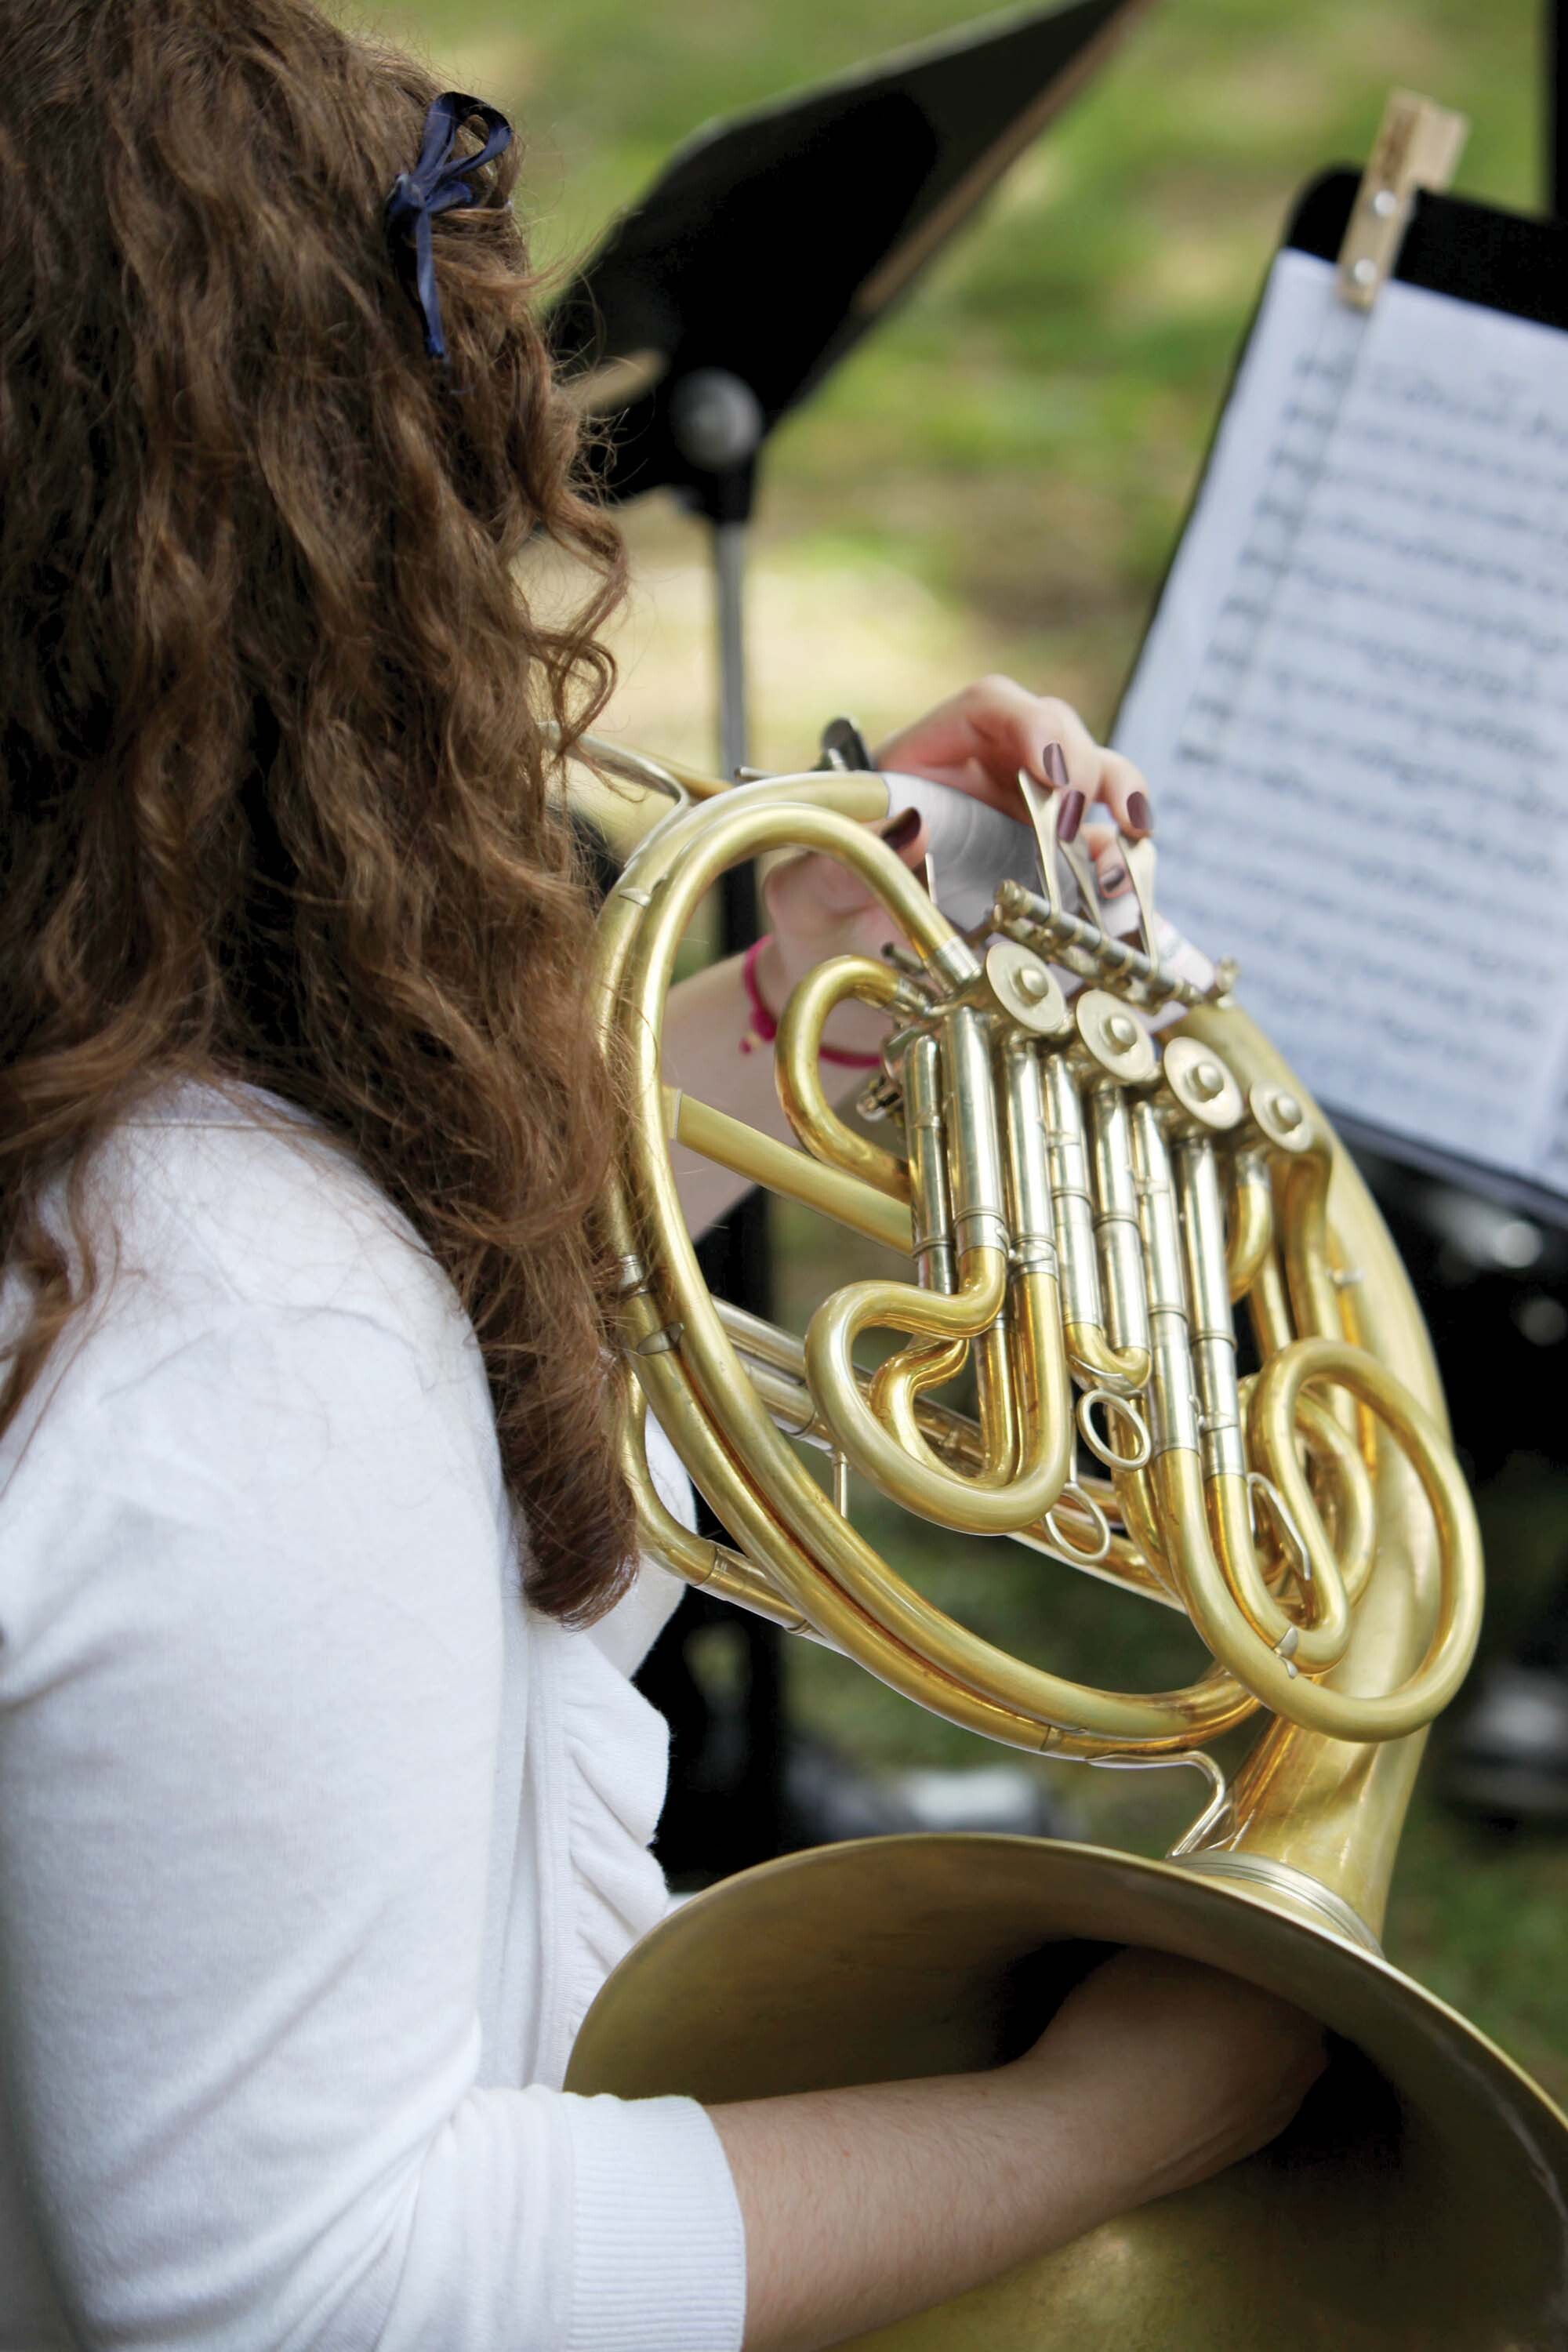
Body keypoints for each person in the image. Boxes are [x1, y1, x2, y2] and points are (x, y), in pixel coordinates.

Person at [0, 6, 1324, 2348]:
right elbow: (321, 2294)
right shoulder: (226, 1316)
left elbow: (287, 1569)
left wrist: (788, 1005)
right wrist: (1124, 2113)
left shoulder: (131, 1167)